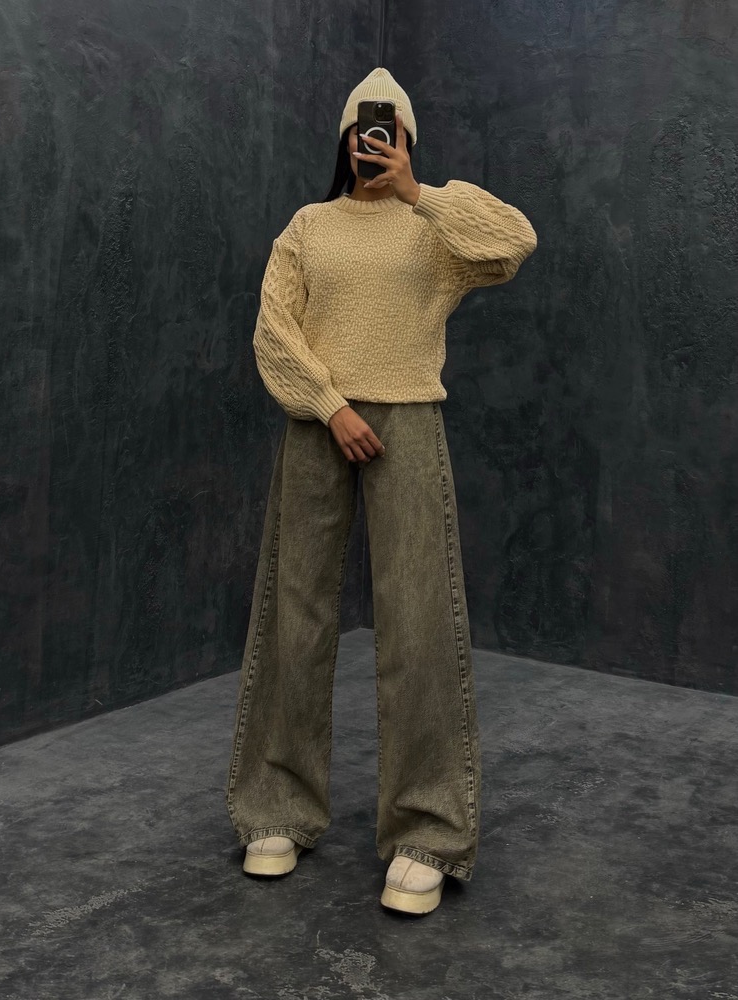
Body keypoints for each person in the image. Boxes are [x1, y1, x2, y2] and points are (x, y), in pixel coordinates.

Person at [225, 67, 538, 916]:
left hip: (408, 422)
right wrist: (330, 407)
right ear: (344, 139)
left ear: (404, 140)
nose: (375, 144)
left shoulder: (433, 229)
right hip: (317, 424)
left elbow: (513, 241)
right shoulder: (308, 225)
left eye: (390, 132)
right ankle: (276, 810)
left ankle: (426, 832)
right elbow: (272, 329)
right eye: (365, 133)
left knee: (420, 621)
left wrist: (418, 192)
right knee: (294, 614)